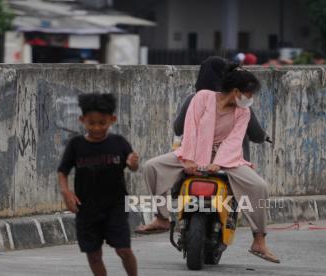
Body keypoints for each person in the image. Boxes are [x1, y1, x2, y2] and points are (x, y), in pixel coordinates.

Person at [137, 64, 280, 264]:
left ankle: (259, 240)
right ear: (236, 91)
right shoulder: (203, 97)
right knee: (152, 167)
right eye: (248, 93)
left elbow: (234, 140)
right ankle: (161, 217)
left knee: (259, 186)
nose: (250, 98)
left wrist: (219, 162)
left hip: (228, 159)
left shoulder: (243, 112)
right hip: (192, 152)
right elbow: (191, 128)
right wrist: (188, 158)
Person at [57, 93, 139, 276]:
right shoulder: (76, 145)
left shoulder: (119, 143)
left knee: (123, 250)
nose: (96, 128)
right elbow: (62, 171)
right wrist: (66, 193)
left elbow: (132, 165)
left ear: (112, 120)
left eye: (102, 123)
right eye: (91, 123)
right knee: (94, 255)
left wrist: (134, 163)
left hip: (116, 206)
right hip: (86, 210)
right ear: (82, 120)